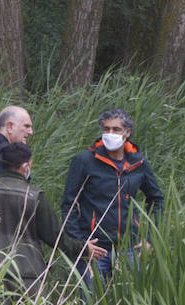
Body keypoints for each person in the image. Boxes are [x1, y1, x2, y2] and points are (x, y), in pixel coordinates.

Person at [0, 142, 105, 300]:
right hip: (28, 277)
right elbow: (56, 238)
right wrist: (83, 248)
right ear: (25, 166)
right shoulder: (34, 196)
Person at [60, 108, 164, 293]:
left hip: (128, 248)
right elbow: (69, 204)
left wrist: (149, 238)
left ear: (127, 132)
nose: (110, 134)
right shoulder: (85, 161)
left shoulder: (138, 163)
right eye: (106, 129)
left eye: (116, 130)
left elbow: (156, 199)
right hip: (94, 248)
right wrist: (80, 243)